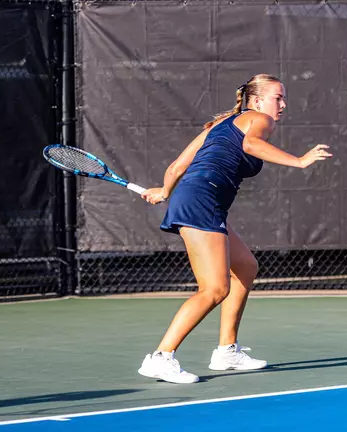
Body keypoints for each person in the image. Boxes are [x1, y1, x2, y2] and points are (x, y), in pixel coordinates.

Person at [137, 74, 332, 384]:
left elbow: (177, 167)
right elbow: (250, 144)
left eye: (283, 98)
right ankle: (161, 357)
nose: (283, 104)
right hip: (203, 199)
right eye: (277, 98)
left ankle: (226, 351)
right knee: (214, 289)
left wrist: (164, 191)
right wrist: (299, 161)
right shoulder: (259, 119)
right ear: (257, 101)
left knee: (245, 267)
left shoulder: (220, 125)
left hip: (201, 198)